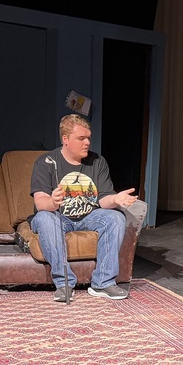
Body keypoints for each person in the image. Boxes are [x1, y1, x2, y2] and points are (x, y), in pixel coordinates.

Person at [30, 114, 137, 302]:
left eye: (88, 138)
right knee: (45, 218)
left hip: (88, 216)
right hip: (58, 217)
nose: (87, 142)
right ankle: (64, 284)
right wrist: (53, 202)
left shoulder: (97, 162)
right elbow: (40, 203)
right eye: (81, 138)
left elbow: (103, 200)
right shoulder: (46, 162)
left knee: (116, 217)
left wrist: (116, 199)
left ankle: (103, 283)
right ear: (65, 139)